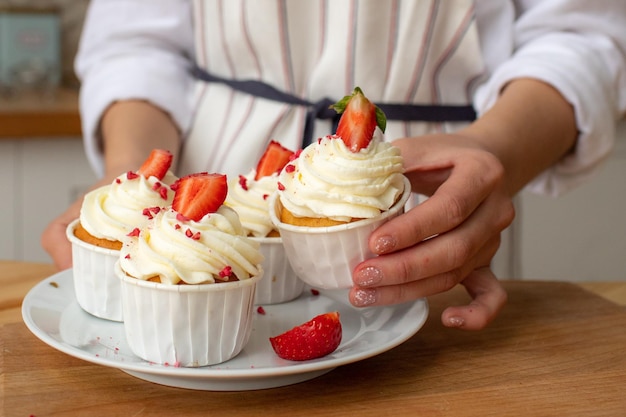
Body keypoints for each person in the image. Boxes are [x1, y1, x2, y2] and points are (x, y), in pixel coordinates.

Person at [41, 1, 626, 330]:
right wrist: (134, 183)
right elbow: (136, 43)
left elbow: (582, 36)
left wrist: (494, 151)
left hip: (439, 209)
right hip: (207, 211)